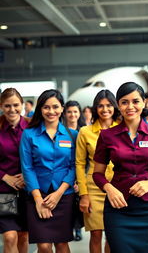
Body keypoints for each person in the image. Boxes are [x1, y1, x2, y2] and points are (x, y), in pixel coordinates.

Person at [92, 82, 148, 253]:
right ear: (118, 105)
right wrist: (109, 188)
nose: (130, 106)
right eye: (124, 102)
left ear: (143, 103)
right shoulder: (107, 135)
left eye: (135, 101)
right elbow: (97, 174)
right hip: (118, 208)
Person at [19, 89, 78, 253]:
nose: (51, 111)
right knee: (44, 246)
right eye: (46, 107)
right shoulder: (29, 134)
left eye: (55, 107)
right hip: (37, 195)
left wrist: (59, 193)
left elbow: (74, 166)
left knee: (62, 244)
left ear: (62, 109)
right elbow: (27, 167)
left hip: (64, 196)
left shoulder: (72, 135)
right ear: (40, 109)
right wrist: (38, 200)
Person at [76, 90, 119, 253]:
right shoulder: (85, 132)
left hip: (118, 188)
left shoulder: (122, 129)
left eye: (109, 105)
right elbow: (79, 164)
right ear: (95, 108)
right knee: (95, 234)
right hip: (93, 188)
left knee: (112, 234)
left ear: (114, 107)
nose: (105, 109)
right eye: (100, 106)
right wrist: (84, 195)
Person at [0, 88, 29, 253]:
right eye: (7, 106)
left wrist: (27, 176)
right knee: (10, 236)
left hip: (28, 190)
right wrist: (5, 177)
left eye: (16, 105)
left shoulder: (33, 127)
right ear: (1, 106)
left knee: (24, 235)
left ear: (22, 105)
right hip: (4, 193)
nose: (12, 110)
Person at [63, 100, 85, 242]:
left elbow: (84, 160)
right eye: (69, 111)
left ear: (79, 113)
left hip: (80, 175)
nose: (72, 114)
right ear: (64, 114)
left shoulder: (84, 131)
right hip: (67, 174)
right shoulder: (61, 132)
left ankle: (77, 229)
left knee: (77, 205)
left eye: (75, 111)